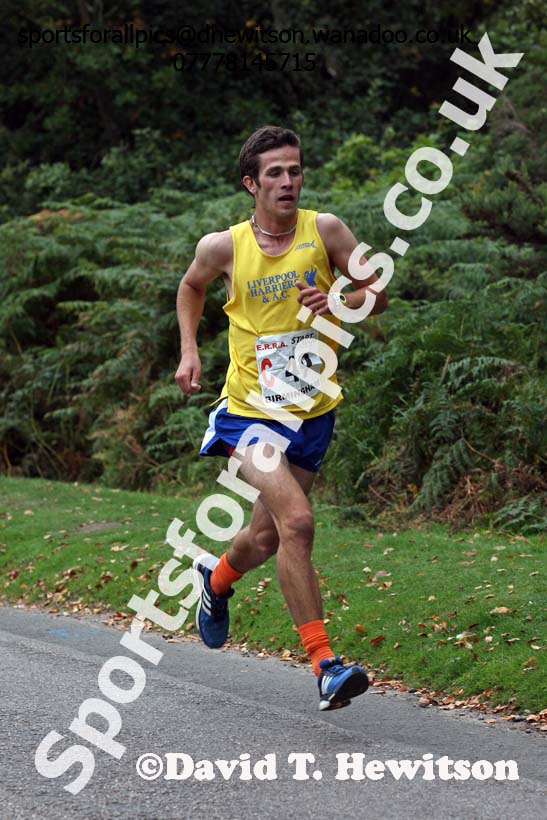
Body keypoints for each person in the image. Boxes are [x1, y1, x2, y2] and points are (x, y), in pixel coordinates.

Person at [175, 125, 388, 710]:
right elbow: (190, 288)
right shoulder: (223, 246)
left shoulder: (327, 231)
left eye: (294, 170)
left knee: (267, 537)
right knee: (297, 523)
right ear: (251, 183)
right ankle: (326, 665)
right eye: (275, 172)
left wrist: (342, 301)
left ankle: (215, 582)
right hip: (249, 414)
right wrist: (190, 350)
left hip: (312, 412)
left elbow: (378, 293)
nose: (288, 181)